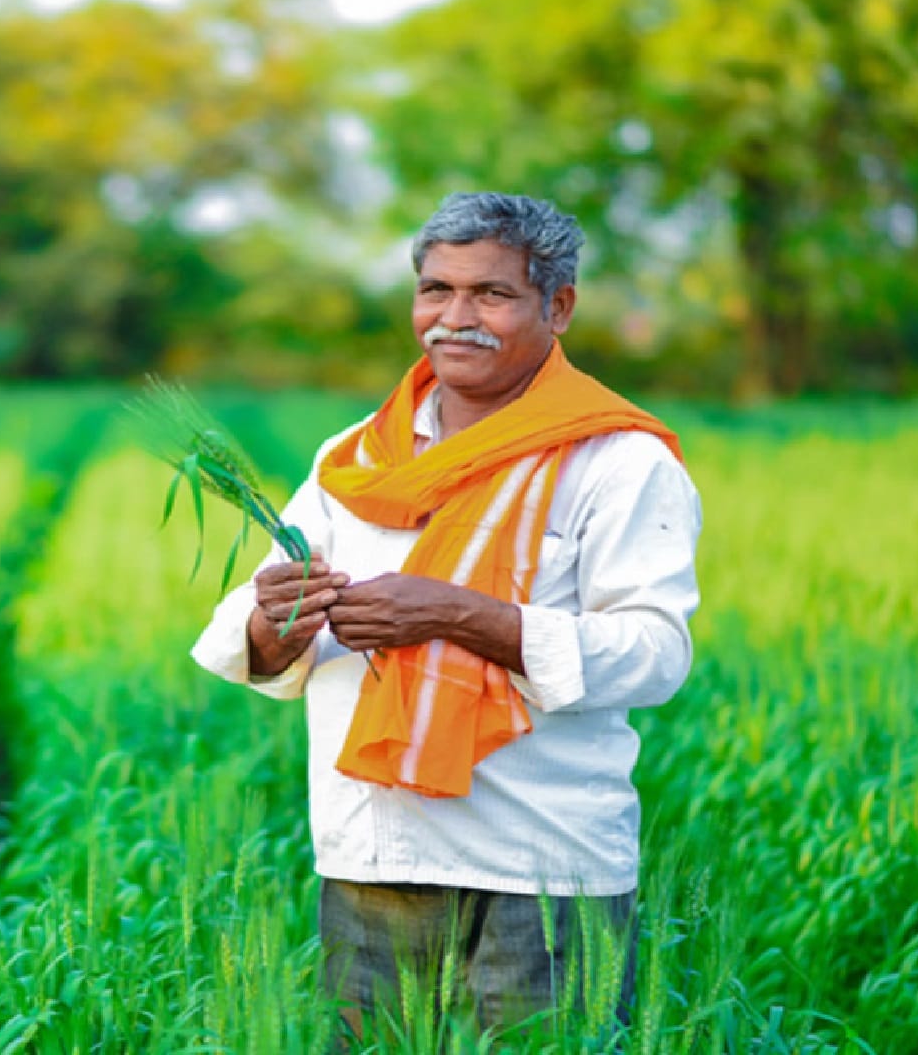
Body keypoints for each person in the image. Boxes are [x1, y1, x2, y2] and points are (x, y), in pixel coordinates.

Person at [190, 192, 702, 1042]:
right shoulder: (355, 455)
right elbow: (258, 621)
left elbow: (656, 654)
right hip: (375, 850)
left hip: (545, 860)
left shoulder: (618, 460)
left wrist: (463, 616)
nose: (454, 318)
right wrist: (271, 616)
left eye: (491, 295)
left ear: (559, 306)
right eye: (436, 290)